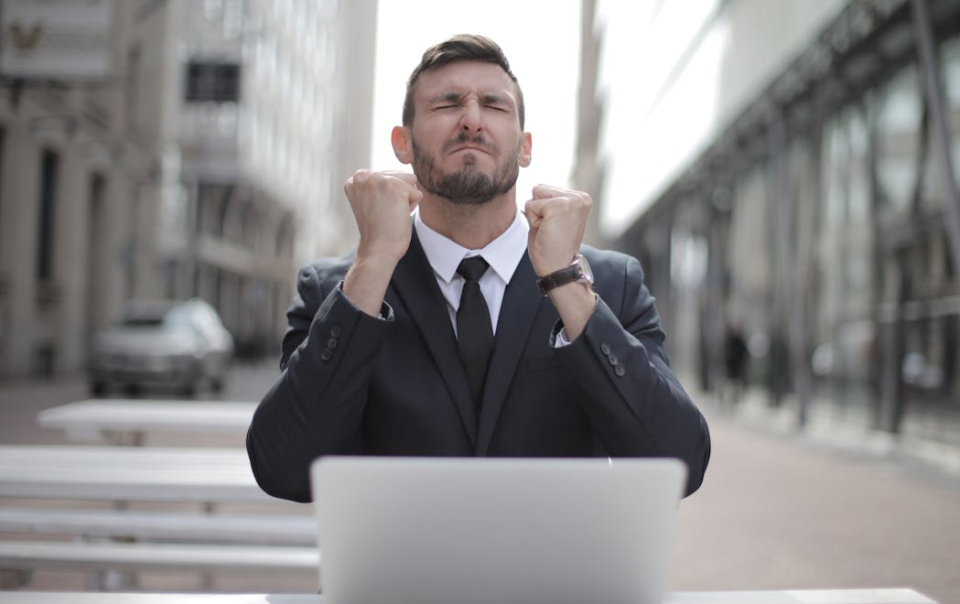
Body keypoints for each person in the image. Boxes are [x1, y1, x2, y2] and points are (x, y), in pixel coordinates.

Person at [246, 34, 710, 502]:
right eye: (447, 104)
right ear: (401, 144)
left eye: (494, 105)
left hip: (557, 577)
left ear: (525, 148)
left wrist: (565, 282)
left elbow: (678, 465)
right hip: (392, 578)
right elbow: (283, 468)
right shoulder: (336, 289)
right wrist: (374, 262)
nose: (471, 120)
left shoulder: (610, 284)